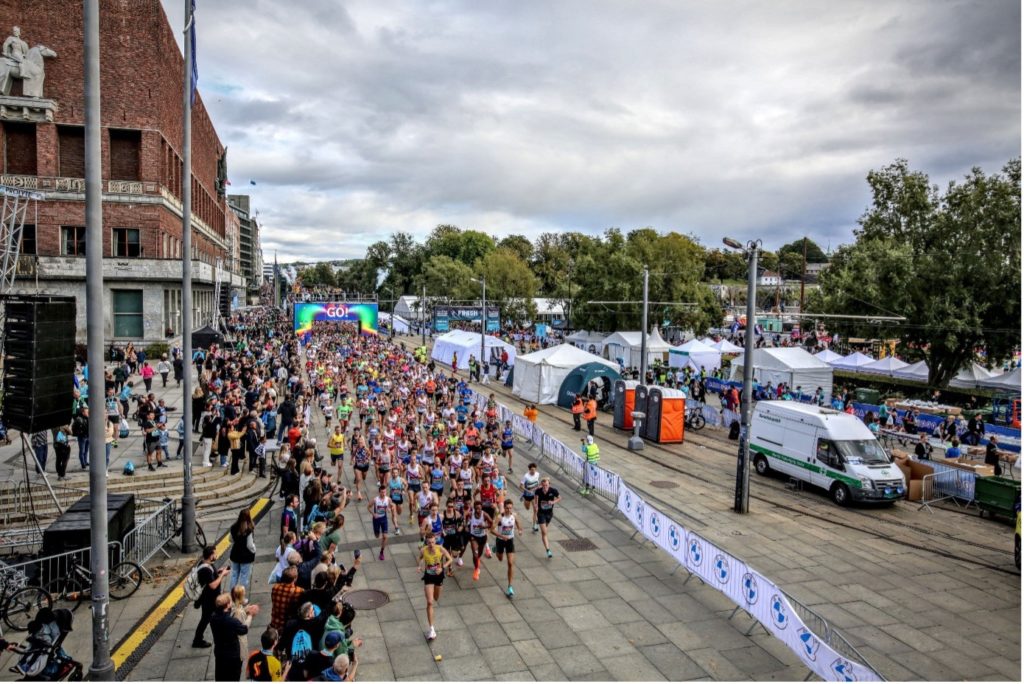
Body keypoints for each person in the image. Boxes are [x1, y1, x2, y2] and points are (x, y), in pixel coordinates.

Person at [211, 592, 257, 682]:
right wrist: (250, 615)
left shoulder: (213, 617)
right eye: (230, 602)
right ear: (227, 605)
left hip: (219, 653)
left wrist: (244, 609)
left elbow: (229, 612)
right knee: (234, 677)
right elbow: (244, 629)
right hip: (232, 656)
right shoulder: (231, 622)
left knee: (220, 677)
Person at [417, 531, 453, 641]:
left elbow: (450, 558)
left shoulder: (440, 549)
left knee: (436, 598)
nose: (431, 545)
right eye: (429, 543)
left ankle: (432, 628)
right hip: (428, 577)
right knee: (430, 602)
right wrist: (419, 566)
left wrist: (443, 567)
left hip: (438, 576)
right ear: (426, 542)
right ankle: (431, 629)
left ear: (435, 541)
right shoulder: (423, 550)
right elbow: (419, 558)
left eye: (432, 542)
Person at [192, 545, 229, 649]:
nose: (216, 555)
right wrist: (222, 575)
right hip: (209, 600)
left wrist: (218, 572)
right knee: (205, 619)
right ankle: (197, 640)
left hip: (211, 598)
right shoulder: (206, 570)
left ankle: (220, 635)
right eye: (215, 553)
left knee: (214, 616)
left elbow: (210, 578)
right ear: (211, 555)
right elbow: (212, 585)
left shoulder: (205, 563)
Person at [493, 498, 523, 598]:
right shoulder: (499, 517)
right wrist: (501, 536)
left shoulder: (514, 515)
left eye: (510, 508)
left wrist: (519, 530)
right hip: (501, 541)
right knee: (500, 558)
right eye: (507, 508)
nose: (509, 510)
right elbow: (492, 530)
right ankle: (496, 549)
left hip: (510, 541)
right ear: (504, 508)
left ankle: (510, 586)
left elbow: (518, 523)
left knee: (510, 563)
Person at [229, 509, 256, 592]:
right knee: (244, 576)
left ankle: (232, 594)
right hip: (246, 556)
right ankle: (240, 596)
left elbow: (230, 539)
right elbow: (250, 545)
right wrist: (254, 549)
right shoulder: (249, 529)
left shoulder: (234, 527)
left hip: (235, 553)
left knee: (234, 575)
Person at [368, 484, 396, 561]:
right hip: (376, 519)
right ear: (379, 492)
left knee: (385, 537)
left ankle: (381, 552)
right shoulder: (375, 500)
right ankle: (377, 531)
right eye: (382, 492)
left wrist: (390, 508)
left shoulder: (388, 499)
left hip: (384, 519)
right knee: (377, 536)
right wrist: (373, 514)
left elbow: (392, 505)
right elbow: (368, 507)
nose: (383, 494)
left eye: (384, 492)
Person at [535, 477, 561, 558]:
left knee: (544, 530)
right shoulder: (538, 491)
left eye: (546, 485)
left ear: (549, 484)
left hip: (549, 513)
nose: (545, 487)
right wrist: (536, 505)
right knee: (544, 532)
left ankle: (539, 524)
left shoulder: (553, 491)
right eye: (544, 485)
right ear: (541, 485)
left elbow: (560, 498)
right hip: (541, 513)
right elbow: (536, 499)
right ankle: (548, 550)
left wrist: (553, 502)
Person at [520, 462, 541, 531]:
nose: (533, 471)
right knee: (527, 508)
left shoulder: (537, 474)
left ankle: (534, 525)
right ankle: (523, 496)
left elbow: (538, 483)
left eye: (534, 470)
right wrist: (527, 491)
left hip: (535, 495)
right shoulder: (526, 476)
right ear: (529, 470)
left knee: (535, 510)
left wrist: (538, 487)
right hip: (527, 495)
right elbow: (521, 486)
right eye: (532, 470)